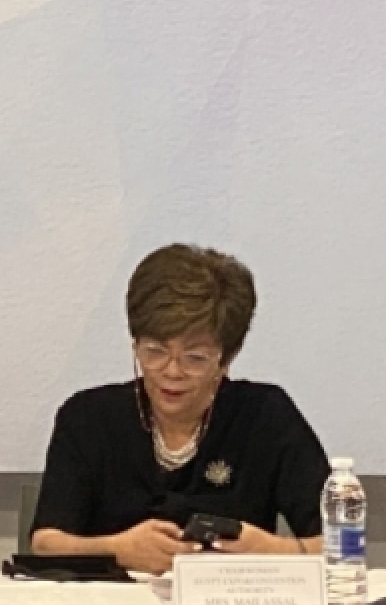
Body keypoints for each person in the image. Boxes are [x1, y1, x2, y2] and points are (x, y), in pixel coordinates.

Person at [30, 244, 329, 574]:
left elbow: (340, 542)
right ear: (135, 345)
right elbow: (46, 543)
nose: (172, 371)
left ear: (226, 359)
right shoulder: (88, 417)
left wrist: (269, 550)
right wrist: (118, 550)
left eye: (195, 358)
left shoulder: (265, 415)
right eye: (155, 352)